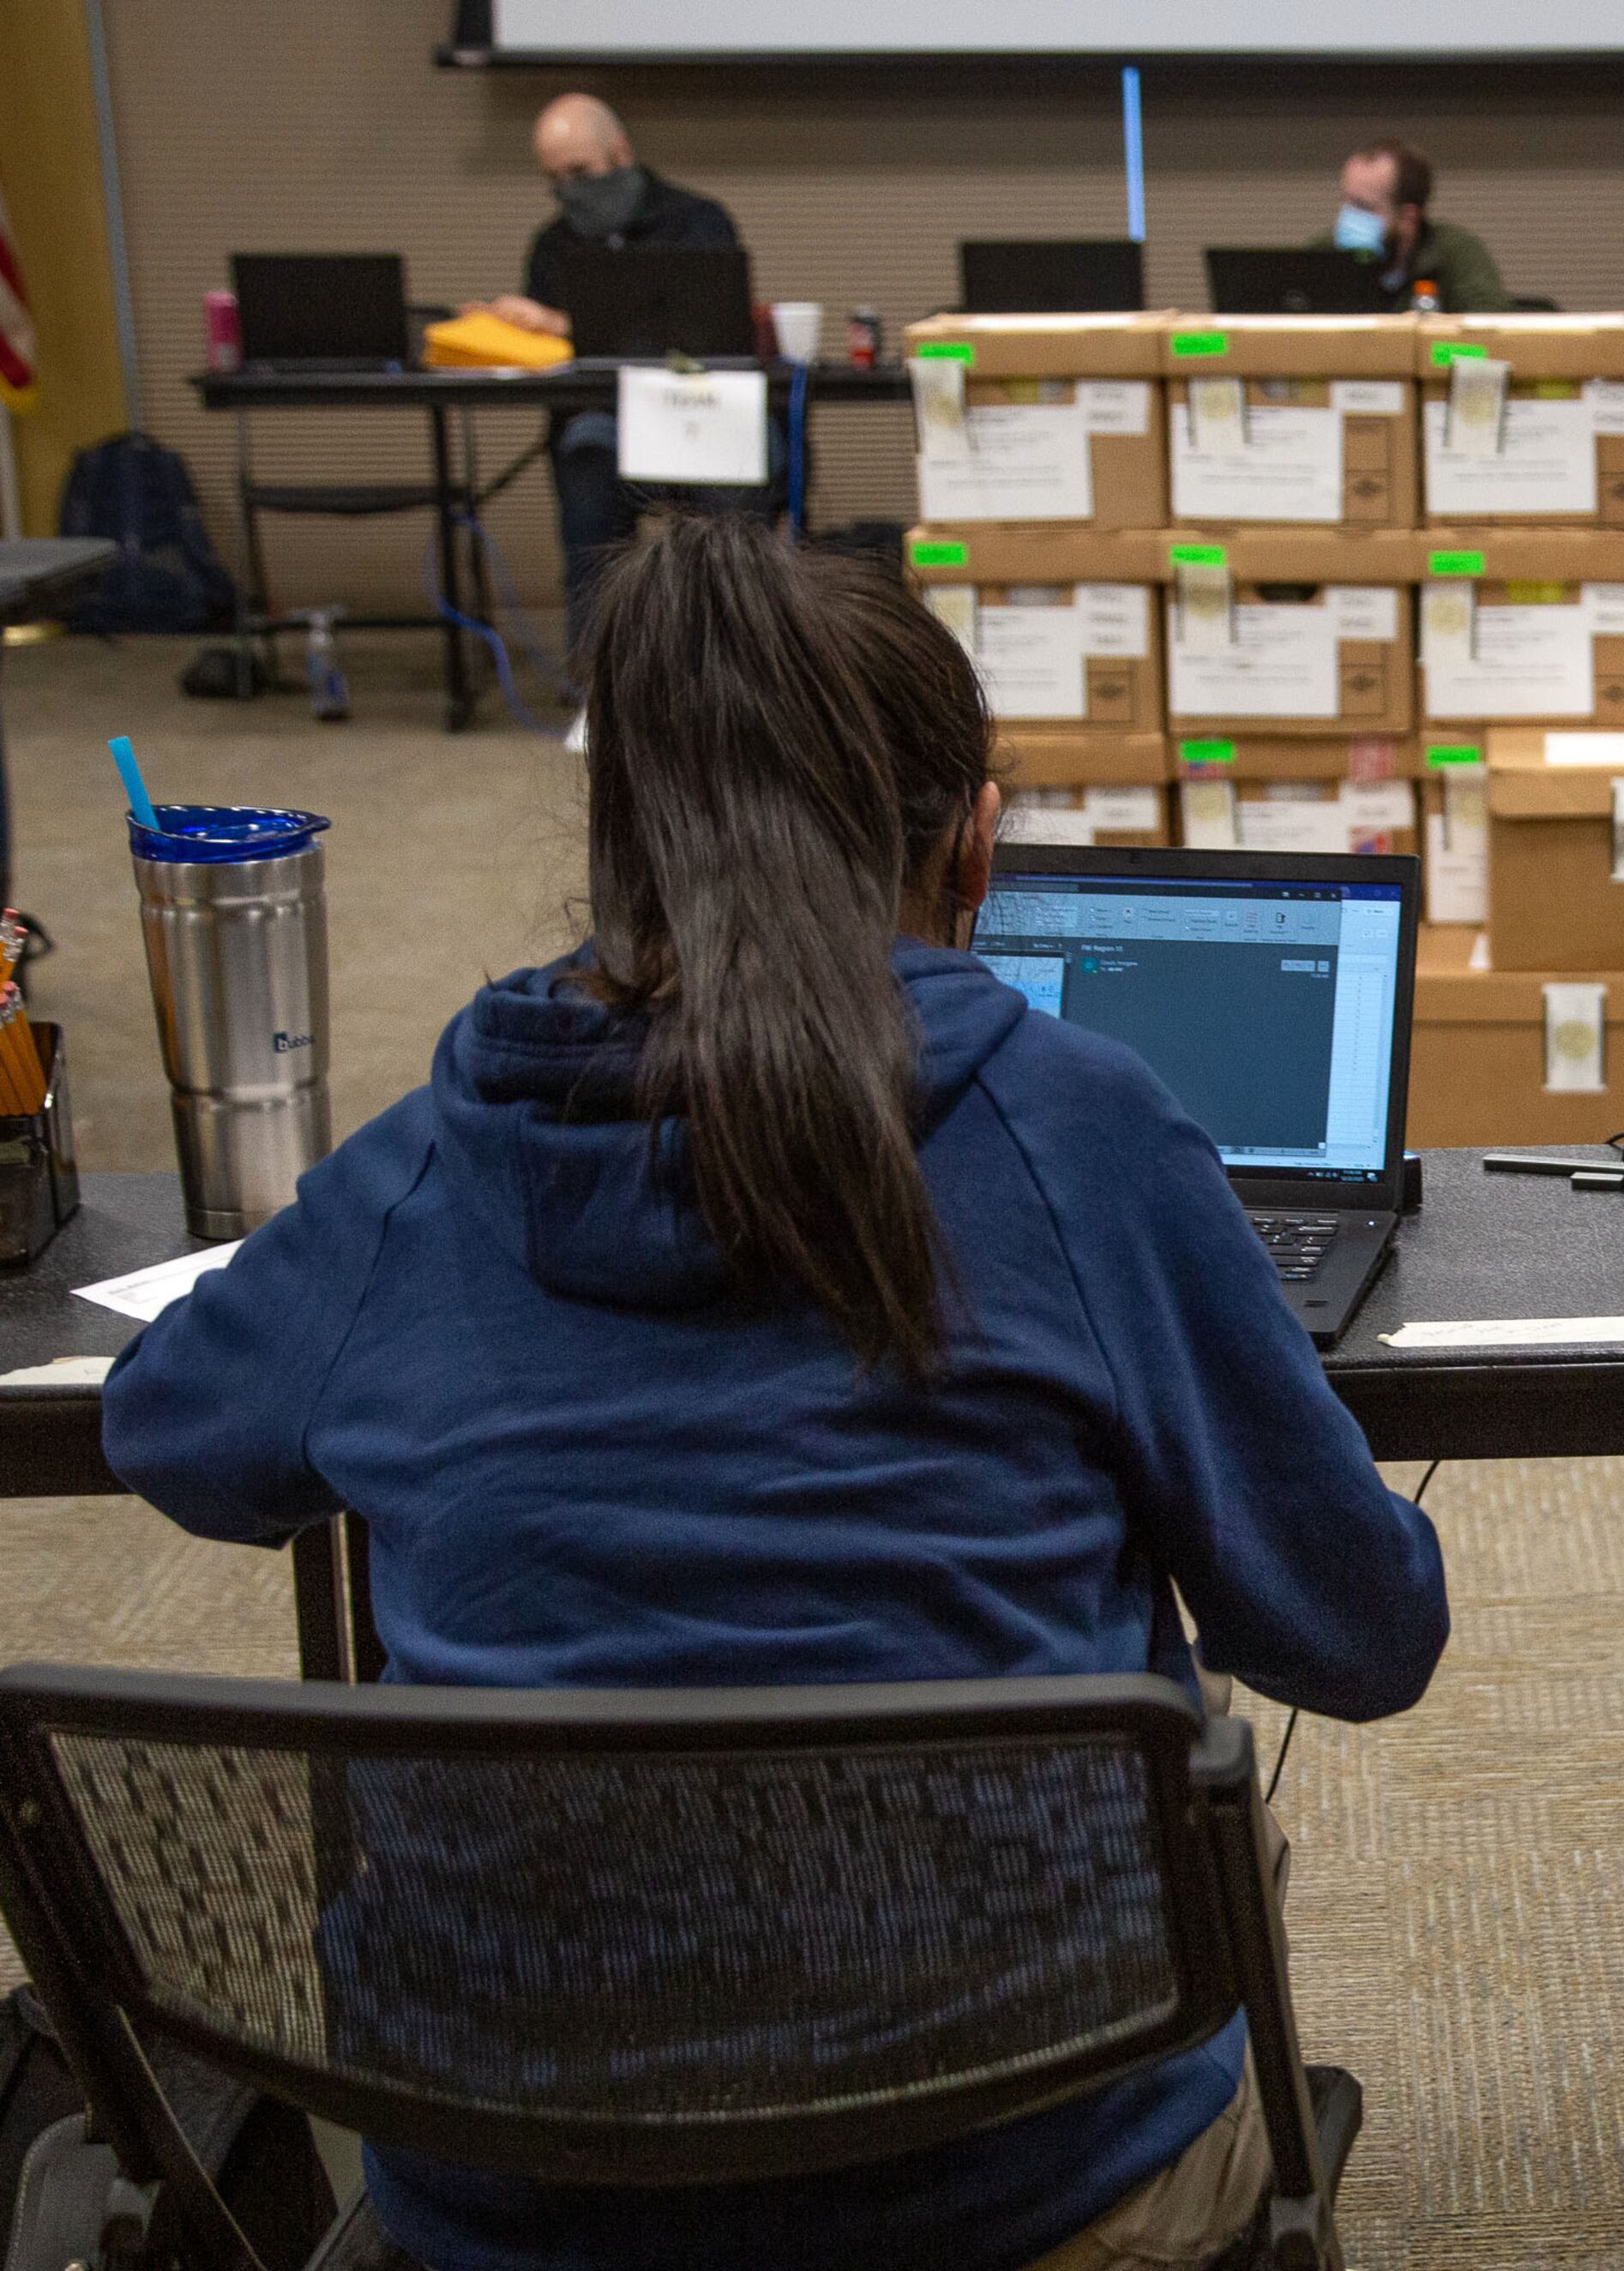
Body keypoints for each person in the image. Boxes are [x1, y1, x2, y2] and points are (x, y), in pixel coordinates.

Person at [101, 516, 1450, 2271]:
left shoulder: (426, 1173)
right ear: (977, 846)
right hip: (1019, 2195)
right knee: (1220, 1847)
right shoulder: (1083, 1134)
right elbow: (1359, 1636)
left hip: (518, 2205)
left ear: (619, 852)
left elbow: (169, 1434)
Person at [463, 93, 759, 645]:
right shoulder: (554, 244)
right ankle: (596, 673)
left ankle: (744, 656)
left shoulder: (698, 223)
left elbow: (710, 338)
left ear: (619, 153)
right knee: (586, 453)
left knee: (736, 485)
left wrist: (560, 324)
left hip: (702, 412)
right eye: (555, 179)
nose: (571, 190)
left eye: (581, 172)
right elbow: (553, 365)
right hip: (607, 419)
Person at [1316, 137, 1510, 312]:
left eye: (1364, 207)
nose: (1349, 217)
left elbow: (1485, 347)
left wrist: (1428, 348)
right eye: (1347, 201)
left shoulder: (1456, 255)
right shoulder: (1321, 254)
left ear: (1408, 217)